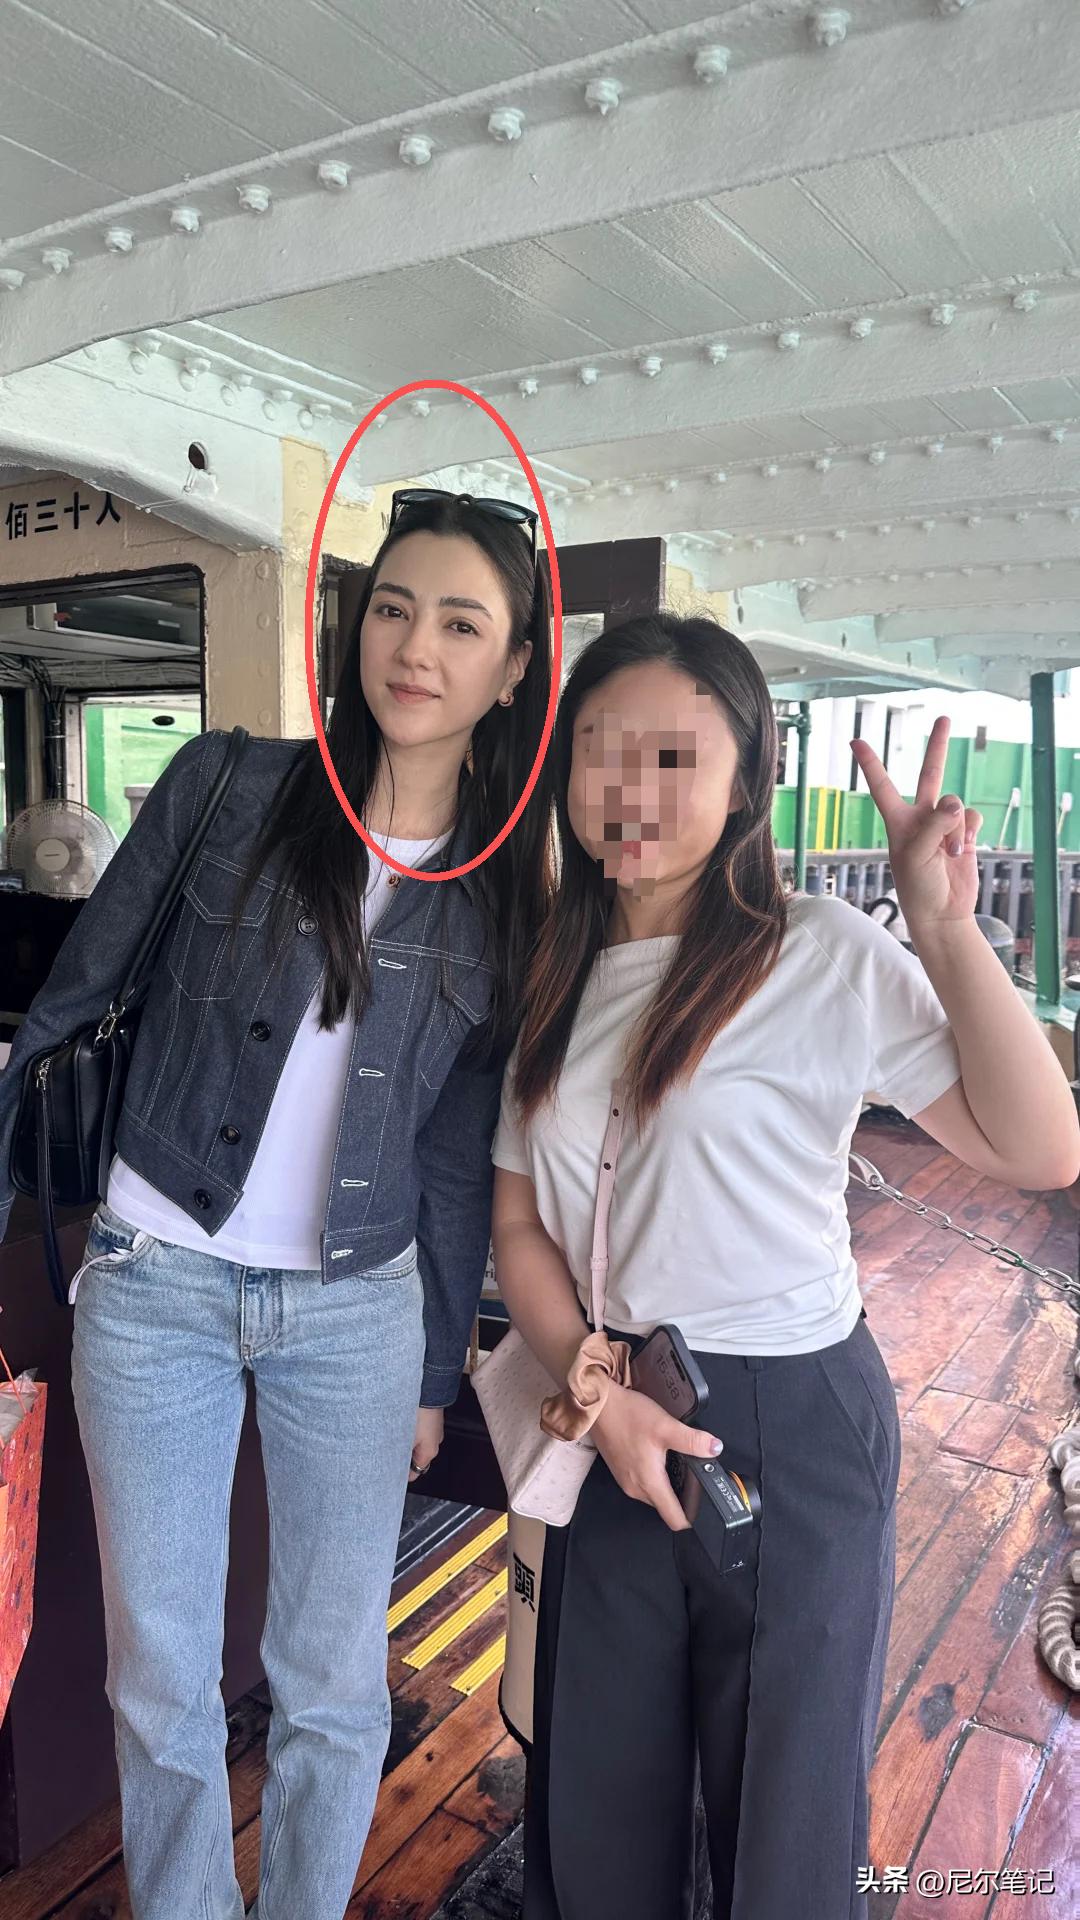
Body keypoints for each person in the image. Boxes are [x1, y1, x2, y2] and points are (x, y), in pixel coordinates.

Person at [0, 489, 553, 1920]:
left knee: (331, 1680)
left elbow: (452, 1152)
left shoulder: (504, 896)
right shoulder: (228, 787)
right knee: (160, 1675)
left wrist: (433, 1369)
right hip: (155, 1281)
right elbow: (70, 1002)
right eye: (394, 609)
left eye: (461, 624)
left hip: (358, 1311)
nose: (415, 647)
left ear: (511, 671)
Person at [489, 613, 1079, 1920]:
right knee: (595, 1803)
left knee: (787, 1830)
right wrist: (597, 1391)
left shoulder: (817, 951)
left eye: (671, 755)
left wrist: (944, 926)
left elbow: (1042, 1145)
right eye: (599, 749)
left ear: (748, 774)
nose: (628, 786)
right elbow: (518, 1226)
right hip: (614, 1403)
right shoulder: (550, 969)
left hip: (793, 1417)